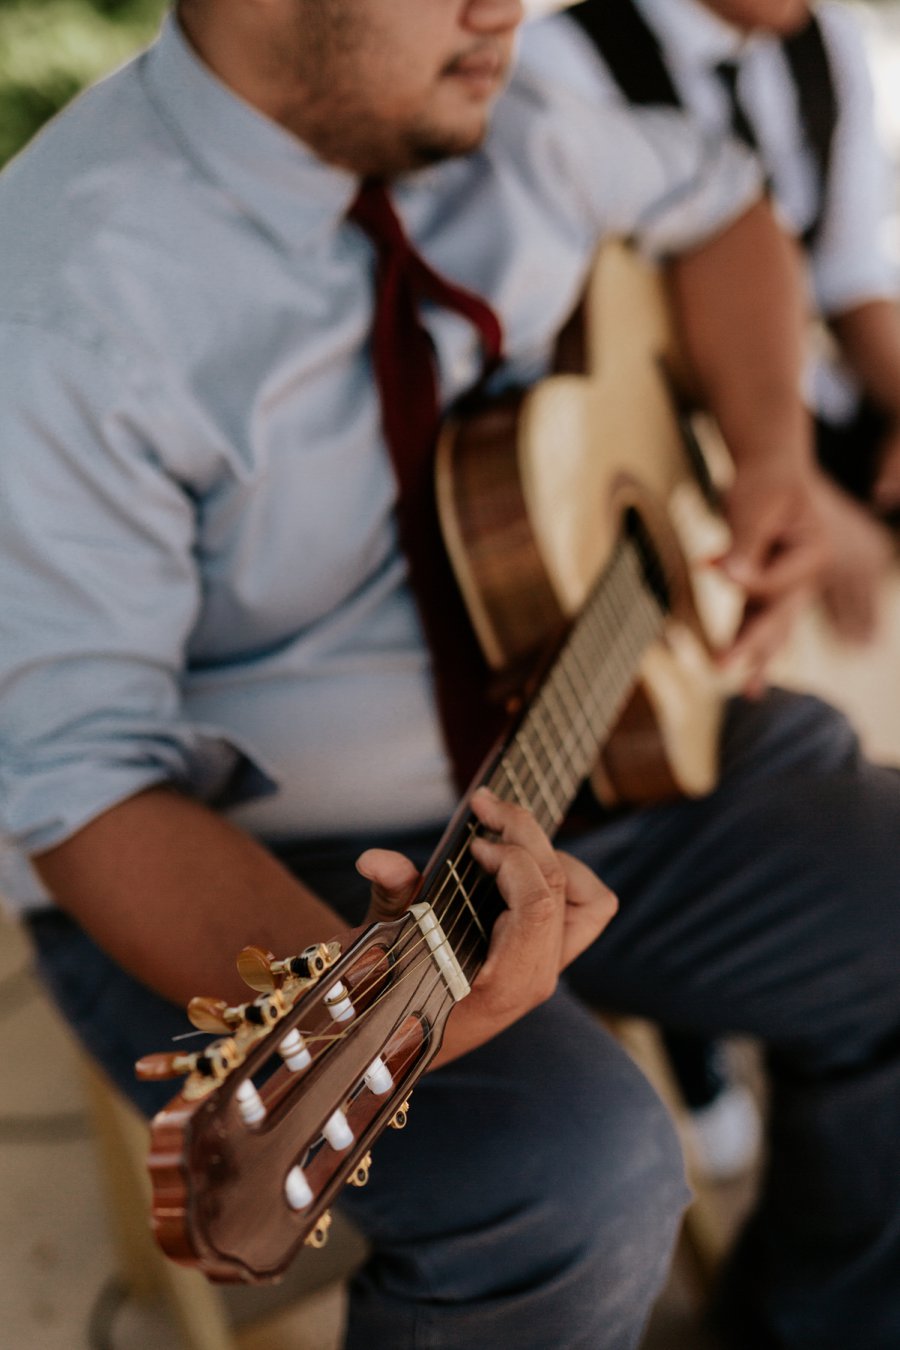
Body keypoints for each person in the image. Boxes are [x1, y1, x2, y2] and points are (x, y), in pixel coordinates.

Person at [1, 3, 900, 1348]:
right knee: (576, 1170)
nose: (508, 6)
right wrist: (381, 1001)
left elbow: (726, 209)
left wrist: (768, 447)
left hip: (589, 726)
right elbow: (82, 786)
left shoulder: (506, 113)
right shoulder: (58, 293)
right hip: (245, 865)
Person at [527, 0, 900, 643]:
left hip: (797, 435)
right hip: (675, 458)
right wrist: (801, 495)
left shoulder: (829, 45)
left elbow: (850, 275)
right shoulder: (559, 63)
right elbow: (607, 354)